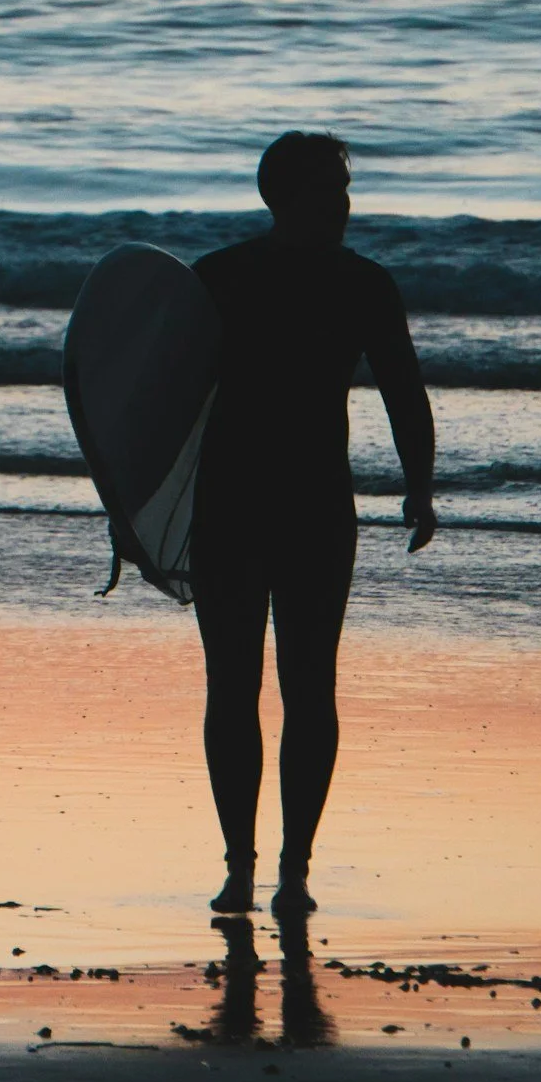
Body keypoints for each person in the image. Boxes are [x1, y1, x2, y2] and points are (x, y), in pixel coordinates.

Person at [189, 131, 435, 916]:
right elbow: (160, 398)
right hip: (237, 507)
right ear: (284, 196)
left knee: (307, 687)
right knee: (233, 687)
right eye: (330, 189)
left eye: (345, 188)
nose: (344, 204)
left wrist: (420, 487)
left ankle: (292, 870)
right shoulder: (222, 280)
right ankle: (241, 865)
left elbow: (404, 389)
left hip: (308, 509)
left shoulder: (356, 284)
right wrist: (138, 512)